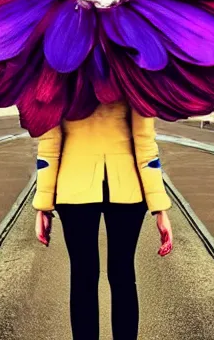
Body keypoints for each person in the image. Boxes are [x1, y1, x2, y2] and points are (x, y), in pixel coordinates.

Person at [33, 102, 173, 340]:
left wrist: (43, 206)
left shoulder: (55, 72)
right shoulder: (134, 72)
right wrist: (159, 208)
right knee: (123, 276)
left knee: (82, 278)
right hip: (127, 187)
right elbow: (145, 143)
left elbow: (49, 145)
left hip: (74, 187)